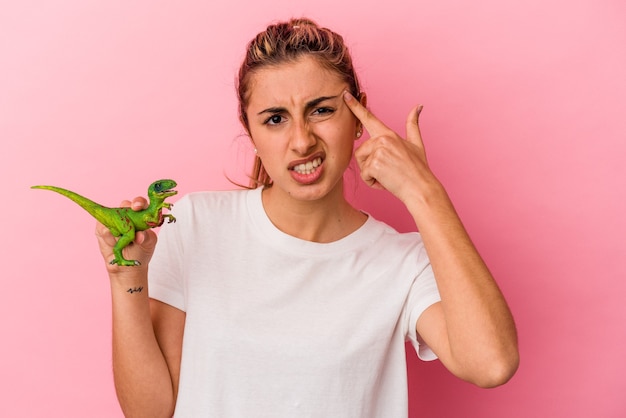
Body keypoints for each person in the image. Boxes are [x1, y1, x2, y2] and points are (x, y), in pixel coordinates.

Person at [96, 17, 519, 417]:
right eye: (276, 119)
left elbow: (492, 364)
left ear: (358, 117)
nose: (302, 141)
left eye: (321, 110)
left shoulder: (404, 262)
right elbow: (149, 410)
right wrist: (126, 277)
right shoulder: (196, 225)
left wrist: (423, 192)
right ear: (251, 133)